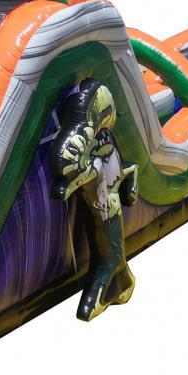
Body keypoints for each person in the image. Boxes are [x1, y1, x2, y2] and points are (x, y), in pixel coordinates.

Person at [50, 79, 138, 321]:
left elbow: (93, 172)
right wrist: (69, 184)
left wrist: (69, 185)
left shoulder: (102, 160)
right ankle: (124, 280)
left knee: (110, 258)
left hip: (108, 210)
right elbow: (91, 172)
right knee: (111, 257)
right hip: (104, 208)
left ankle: (119, 283)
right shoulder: (100, 157)